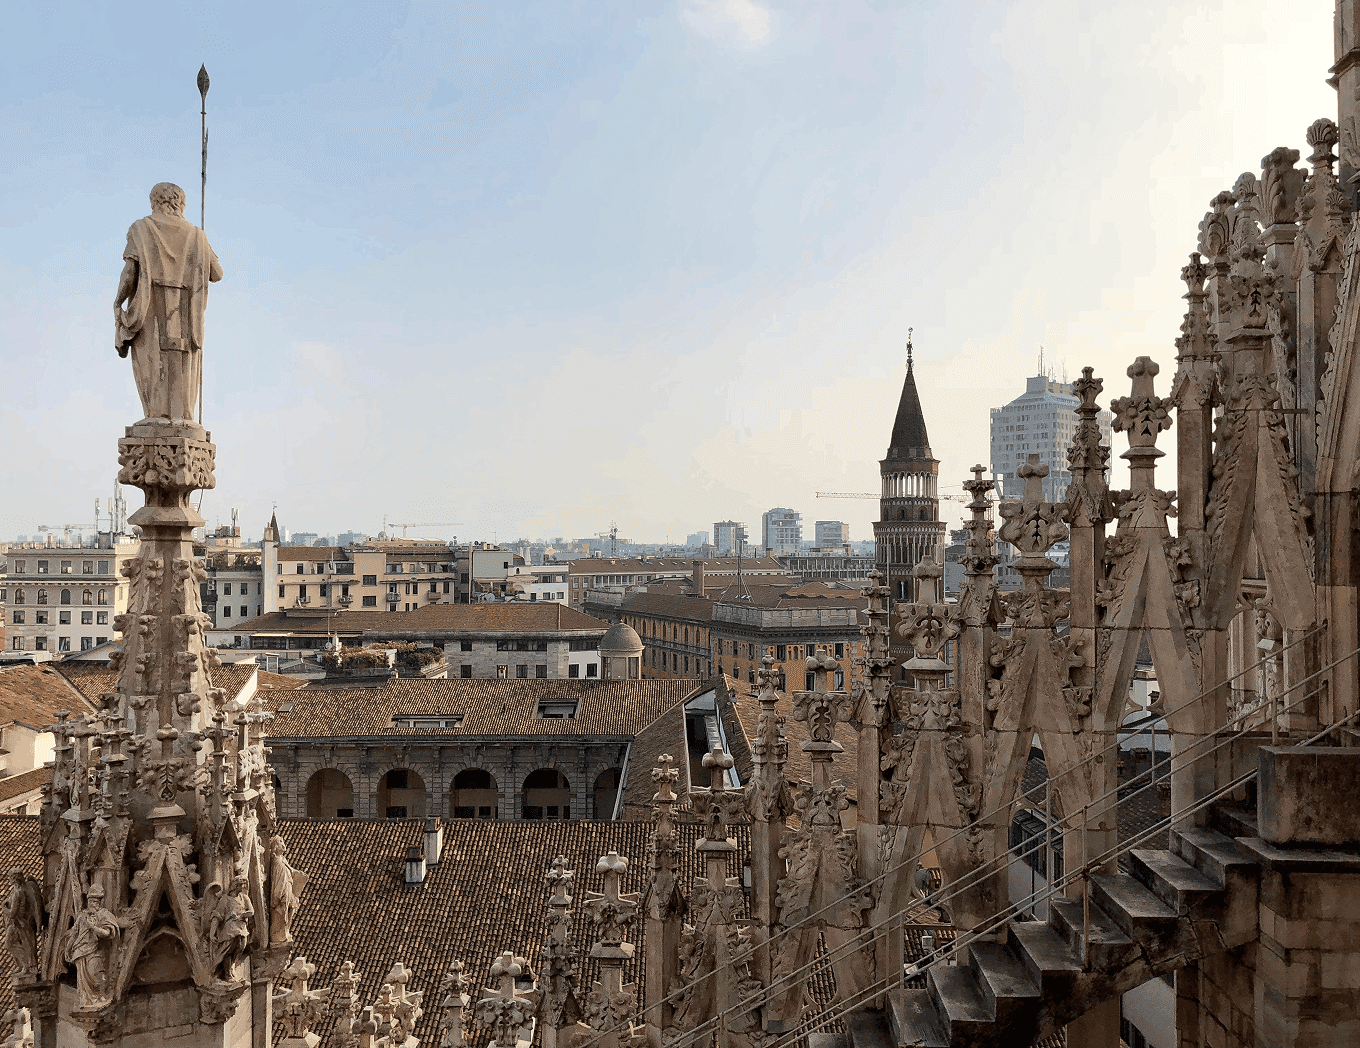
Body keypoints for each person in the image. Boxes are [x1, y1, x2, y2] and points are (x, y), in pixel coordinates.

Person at [113, 183, 222, 422]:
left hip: (149, 307)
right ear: (181, 204)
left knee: (152, 369)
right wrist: (199, 248)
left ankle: (155, 417)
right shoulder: (196, 235)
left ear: (154, 201)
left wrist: (118, 302)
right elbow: (217, 273)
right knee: (182, 373)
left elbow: (130, 273)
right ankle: (182, 417)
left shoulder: (141, 228)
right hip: (186, 314)